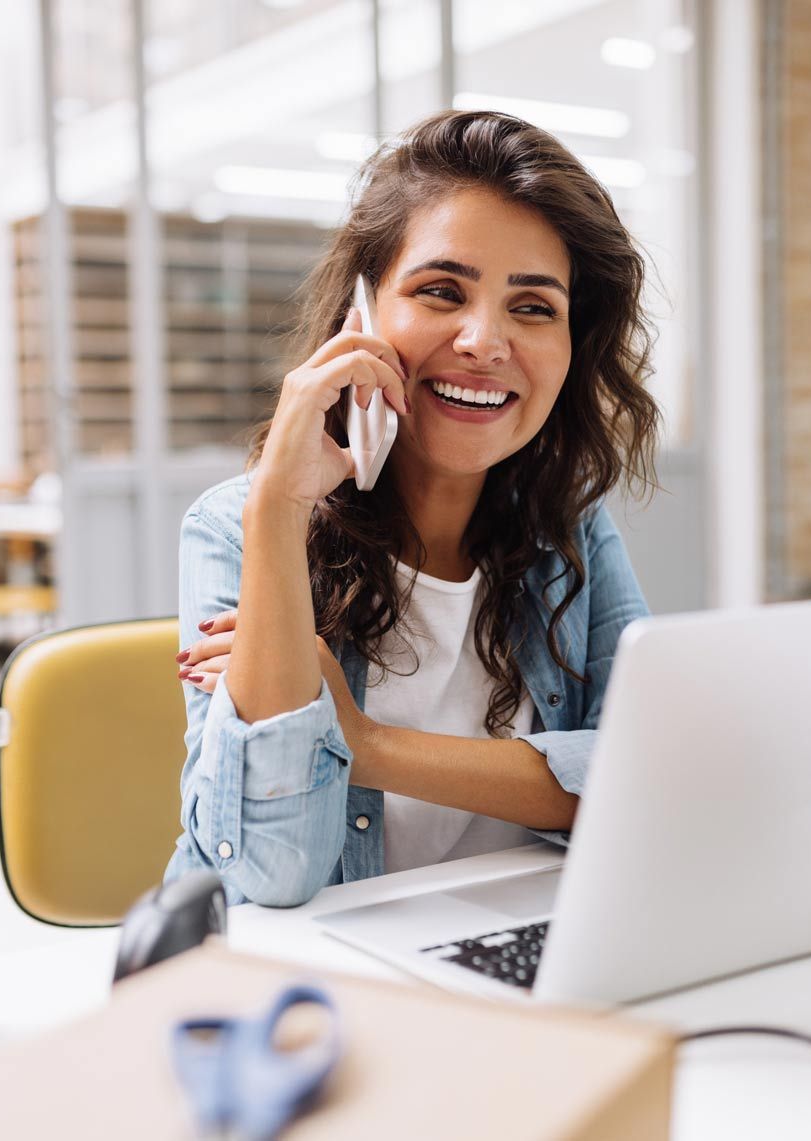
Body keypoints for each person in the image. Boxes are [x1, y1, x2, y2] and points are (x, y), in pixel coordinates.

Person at [164, 109, 660, 907]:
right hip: (308, 982)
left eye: (533, 307)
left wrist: (362, 743)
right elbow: (269, 871)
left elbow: (640, 781)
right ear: (359, 317)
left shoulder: (567, 529)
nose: (484, 340)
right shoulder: (238, 525)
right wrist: (278, 508)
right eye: (441, 291)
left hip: (503, 948)